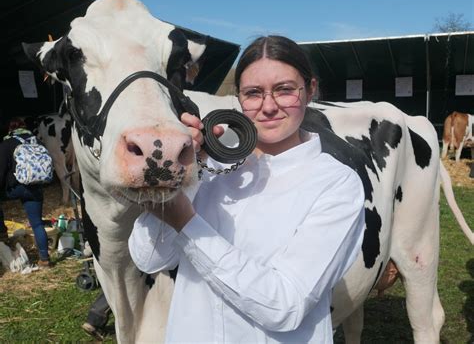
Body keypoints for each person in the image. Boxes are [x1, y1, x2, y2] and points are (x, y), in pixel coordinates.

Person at [128, 35, 365, 343]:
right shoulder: (211, 166)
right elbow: (149, 259)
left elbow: (285, 305)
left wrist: (187, 223)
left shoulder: (336, 184)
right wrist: (182, 174)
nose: (268, 106)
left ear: (310, 91)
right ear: (238, 99)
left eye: (284, 90)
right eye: (254, 93)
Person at [0, 118, 52, 268]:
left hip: (15, 189)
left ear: (10, 130)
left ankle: (2, 233)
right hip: (35, 188)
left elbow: (1, 172)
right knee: (37, 224)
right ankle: (44, 259)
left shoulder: (7, 144)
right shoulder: (37, 141)